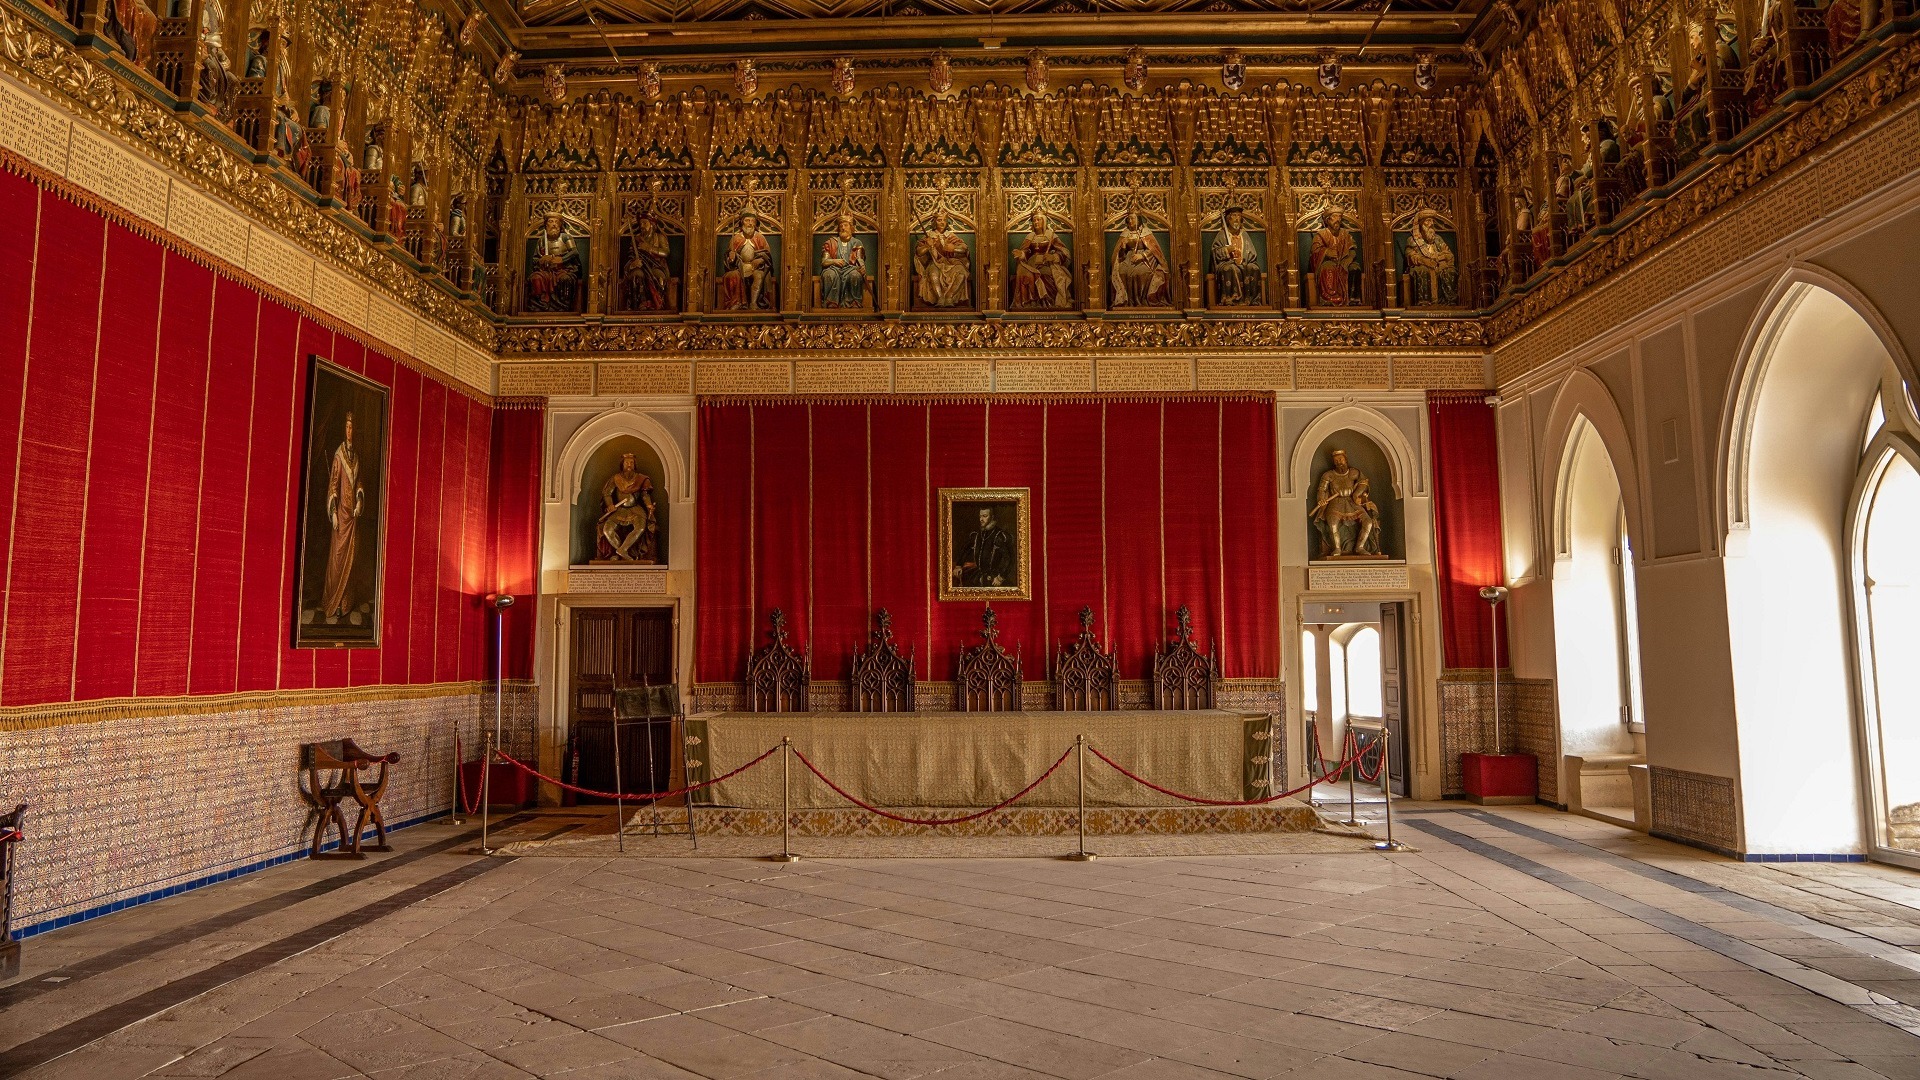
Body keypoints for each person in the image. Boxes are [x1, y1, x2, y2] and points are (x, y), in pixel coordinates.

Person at [320, 412, 365, 621]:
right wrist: (333, 513)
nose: (349, 431)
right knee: (338, 560)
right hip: (341, 516)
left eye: (352, 427)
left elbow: (360, 482)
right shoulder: (338, 456)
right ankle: (334, 600)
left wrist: (359, 500)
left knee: (351, 560)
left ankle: (345, 602)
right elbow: (333, 485)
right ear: (343, 429)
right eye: (347, 427)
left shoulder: (356, 457)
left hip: (353, 517)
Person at [1310, 448, 1372, 558]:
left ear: (1345, 459)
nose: (1339, 462)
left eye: (1340, 459)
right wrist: (1321, 499)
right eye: (1336, 460)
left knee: (1368, 522)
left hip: (1352, 502)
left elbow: (1363, 483)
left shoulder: (1354, 472)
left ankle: (1360, 547)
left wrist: (1356, 494)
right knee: (1333, 522)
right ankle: (1337, 548)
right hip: (1335, 503)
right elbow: (1322, 490)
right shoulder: (1328, 475)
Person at [597, 453, 658, 562]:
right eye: (626, 462)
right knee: (606, 529)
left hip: (635, 509)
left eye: (631, 462)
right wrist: (610, 505)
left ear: (635, 465)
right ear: (622, 464)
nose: (629, 465)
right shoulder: (616, 478)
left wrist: (649, 505)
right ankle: (622, 551)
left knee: (641, 528)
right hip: (619, 510)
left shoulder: (640, 478)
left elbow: (645, 495)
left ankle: (622, 550)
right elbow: (607, 493)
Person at [1011, 209, 1073, 310]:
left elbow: (1064, 251)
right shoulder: (1030, 236)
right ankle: (1030, 302)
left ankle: (1048, 303)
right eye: (1034, 220)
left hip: (1046, 263)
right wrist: (1021, 254)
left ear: (1044, 221)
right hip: (1031, 264)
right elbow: (1026, 251)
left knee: (1048, 276)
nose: (1036, 222)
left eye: (1038, 220)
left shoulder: (1051, 235)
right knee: (1025, 274)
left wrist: (1053, 257)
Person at [1109, 209, 1169, 308]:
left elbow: (1153, 249)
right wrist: (1123, 247)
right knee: (1122, 271)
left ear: (1138, 219)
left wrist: (1142, 255)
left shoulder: (1145, 232)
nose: (1130, 221)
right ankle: (1128, 301)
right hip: (1128, 258)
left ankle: (1142, 300)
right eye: (1129, 219)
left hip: (1145, 260)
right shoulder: (1125, 233)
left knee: (1140, 272)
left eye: (1133, 218)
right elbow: (1119, 254)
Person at [716, 212, 776, 311]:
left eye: (752, 221)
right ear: (742, 222)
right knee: (732, 275)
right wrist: (732, 258)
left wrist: (761, 259)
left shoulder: (760, 237)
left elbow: (767, 254)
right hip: (740, 266)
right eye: (747, 220)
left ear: (755, 223)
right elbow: (729, 259)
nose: (750, 223)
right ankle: (737, 302)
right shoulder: (736, 238)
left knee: (759, 276)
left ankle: (753, 303)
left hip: (756, 267)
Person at [913, 209, 971, 308]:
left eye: (944, 220)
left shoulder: (951, 236)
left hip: (952, 262)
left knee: (961, 273)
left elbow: (964, 248)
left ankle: (949, 297)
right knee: (933, 274)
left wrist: (954, 249)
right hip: (935, 262)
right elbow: (919, 252)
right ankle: (940, 297)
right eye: (939, 220)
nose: (942, 222)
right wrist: (927, 246)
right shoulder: (929, 236)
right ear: (934, 222)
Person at [526, 212, 583, 312]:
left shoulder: (566, 237)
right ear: (546, 225)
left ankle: (562, 306)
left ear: (560, 225)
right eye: (551, 221)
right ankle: (541, 305)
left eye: (556, 222)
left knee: (565, 279)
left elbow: (574, 253)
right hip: (546, 271)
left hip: (564, 269)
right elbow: (535, 259)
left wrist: (562, 259)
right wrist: (542, 260)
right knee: (536, 278)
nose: (554, 224)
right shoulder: (542, 240)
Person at [621, 210, 674, 311]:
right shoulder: (636, 239)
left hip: (656, 265)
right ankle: (639, 303)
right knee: (636, 275)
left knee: (658, 276)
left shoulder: (659, 237)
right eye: (641, 223)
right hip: (641, 265)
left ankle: (657, 303)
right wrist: (633, 264)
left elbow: (666, 252)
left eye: (645, 223)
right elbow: (631, 254)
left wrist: (649, 248)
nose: (642, 226)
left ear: (652, 224)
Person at [1210, 205, 1263, 305]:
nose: (1236, 219)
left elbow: (1252, 253)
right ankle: (1232, 299)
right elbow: (1215, 252)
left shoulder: (1244, 235)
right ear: (1228, 219)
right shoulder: (1222, 235)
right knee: (1231, 269)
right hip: (1227, 263)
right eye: (1234, 215)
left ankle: (1252, 300)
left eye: (1239, 216)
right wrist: (1226, 250)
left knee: (1254, 268)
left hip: (1244, 263)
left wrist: (1242, 259)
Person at [1403, 211, 1458, 306]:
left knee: (1450, 271)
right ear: (1421, 224)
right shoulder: (1412, 240)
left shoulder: (1438, 239)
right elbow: (1411, 256)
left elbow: (1449, 254)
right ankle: (1424, 302)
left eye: (1432, 221)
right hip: (1422, 266)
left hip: (1439, 265)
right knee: (1422, 271)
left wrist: (1438, 258)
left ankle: (1449, 301)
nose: (1431, 224)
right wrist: (1425, 261)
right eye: (1428, 221)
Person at [1309, 206, 1358, 307]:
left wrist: (1349, 259)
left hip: (1344, 261)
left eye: (1339, 217)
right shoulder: (1321, 234)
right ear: (1327, 220)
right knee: (1328, 268)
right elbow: (1315, 251)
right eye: (1335, 217)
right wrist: (1326, 252)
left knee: (1355, 268)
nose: (1338, 220)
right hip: (1328, 261)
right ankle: (1329, 297)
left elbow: (1352, 249)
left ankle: (1353, 298)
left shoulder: (1345, 234)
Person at [954, 506, 1014, 588]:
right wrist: (958, 565)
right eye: (980, 516)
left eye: (985, 516)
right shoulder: (977, 535)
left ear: (992, 517)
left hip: (995, 578)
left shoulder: (1000, 536)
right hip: (979, 575)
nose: (981, 519)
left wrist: (1000, 577)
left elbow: (1009, 559)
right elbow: (965, 549)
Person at [817, 213, 867, 308]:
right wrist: (834, 261)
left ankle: (853, 302)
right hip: (833, 268)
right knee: (829, 275)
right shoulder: (830, 242)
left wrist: (862, 267)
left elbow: (859, 259)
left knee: (855, 275)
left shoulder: (857, 242)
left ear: (851, 227)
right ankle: (831, 302)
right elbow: (824, 262)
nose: (843, 228)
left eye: (845, 225)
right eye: (841, 226)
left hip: (850, 269)